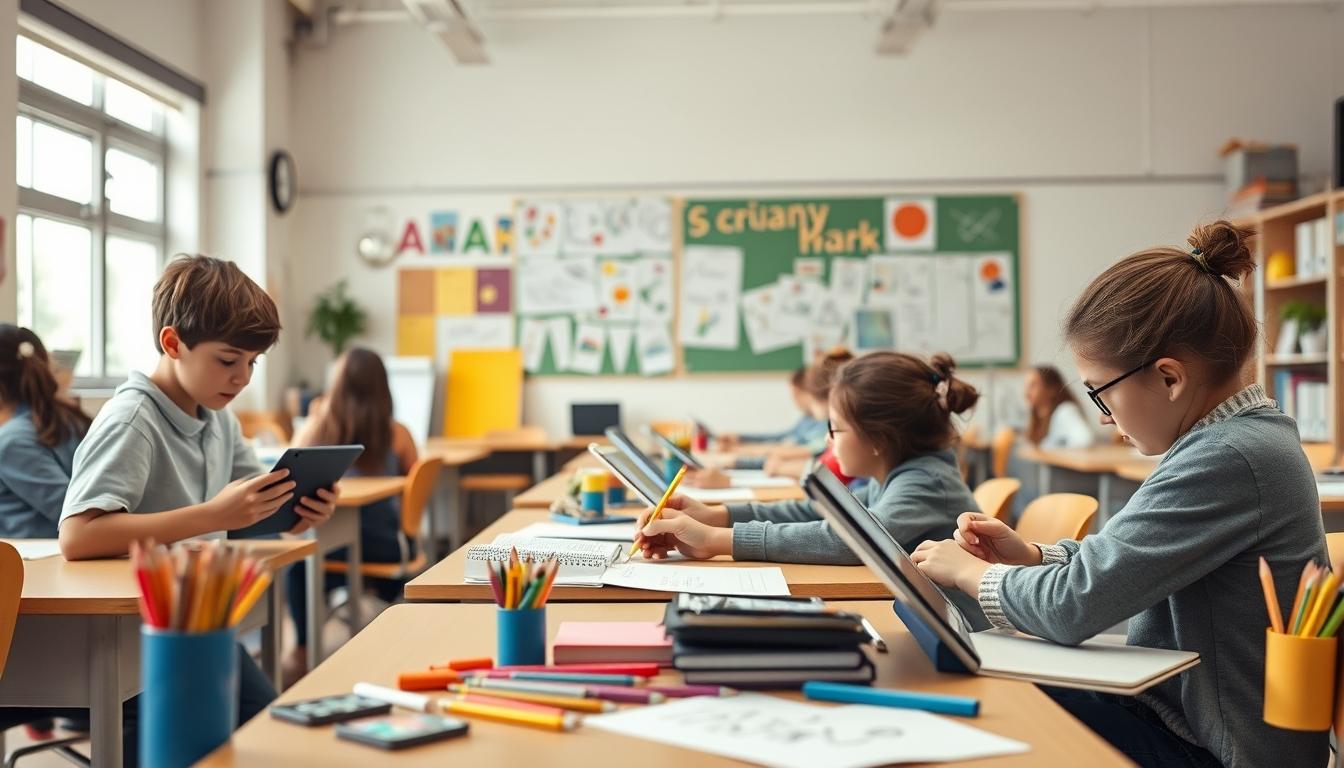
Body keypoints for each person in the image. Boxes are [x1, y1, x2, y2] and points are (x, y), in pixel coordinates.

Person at [911, 221, 1328, 767]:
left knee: (981, 703)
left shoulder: (1231, 456)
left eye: (1100, 395)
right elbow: (1121, 559)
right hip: (1177, 717)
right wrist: (1036, 556)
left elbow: (1072, 606)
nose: (1104, 419)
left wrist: (969, 573)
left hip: (1215, 751)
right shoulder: (1224, 441)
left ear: (1169, 379)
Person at [283, 346, 418, 681]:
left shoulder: (322, 428)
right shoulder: (397, 433)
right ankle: (384, 622)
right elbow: (417, 491)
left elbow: (293, 460)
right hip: (392, 547)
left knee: (299, 565)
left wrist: (317, 414)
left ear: (337, 387)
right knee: (316, 559)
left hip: (335, 548)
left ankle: (302, 648)